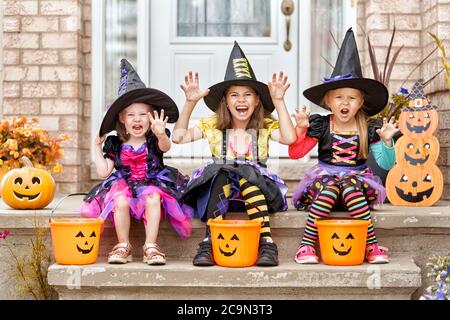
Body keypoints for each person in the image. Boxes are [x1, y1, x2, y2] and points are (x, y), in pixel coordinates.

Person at [172, 41, 296, 267]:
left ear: (257, 100)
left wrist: (279, 102)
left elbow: (289, 138)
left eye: (248, 94)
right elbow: (178, 137)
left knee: (249, 175)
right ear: (225, 102)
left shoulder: (265, 126)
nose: (241, 100)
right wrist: (190, 103)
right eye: (234, 95)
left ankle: (266, 242)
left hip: (257, 194)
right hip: (220, 195)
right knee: (221, 172)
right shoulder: (213, 125)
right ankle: (210, 240)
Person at [289, 28, 399, 264]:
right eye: (339, 97)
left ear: (361, 102)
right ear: (328, 101)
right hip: (323, 189)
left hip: (356, 191)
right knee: (331, 184)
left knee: (348, 183)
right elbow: (296, 153)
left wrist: (388, 142)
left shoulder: (370, 128)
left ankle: (371, 246)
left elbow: (387, 164)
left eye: (351, 97)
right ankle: (306, 245)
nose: (345, 102)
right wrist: (300, 130)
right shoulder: (320, 125)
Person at [81, 59, 191, 265]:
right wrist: (96, 147)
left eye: (143, 114)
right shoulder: (115, 143)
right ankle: (123, 245)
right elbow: (104, 171)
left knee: (152, 198)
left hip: (152, 183)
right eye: (131, 114)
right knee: (120, 201)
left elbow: (165, 147)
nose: (137, 119)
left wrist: (160, 134)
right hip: (124, 185)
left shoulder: (154, 139)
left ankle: (151, 245)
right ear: (122, 118)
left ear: (151, 118)